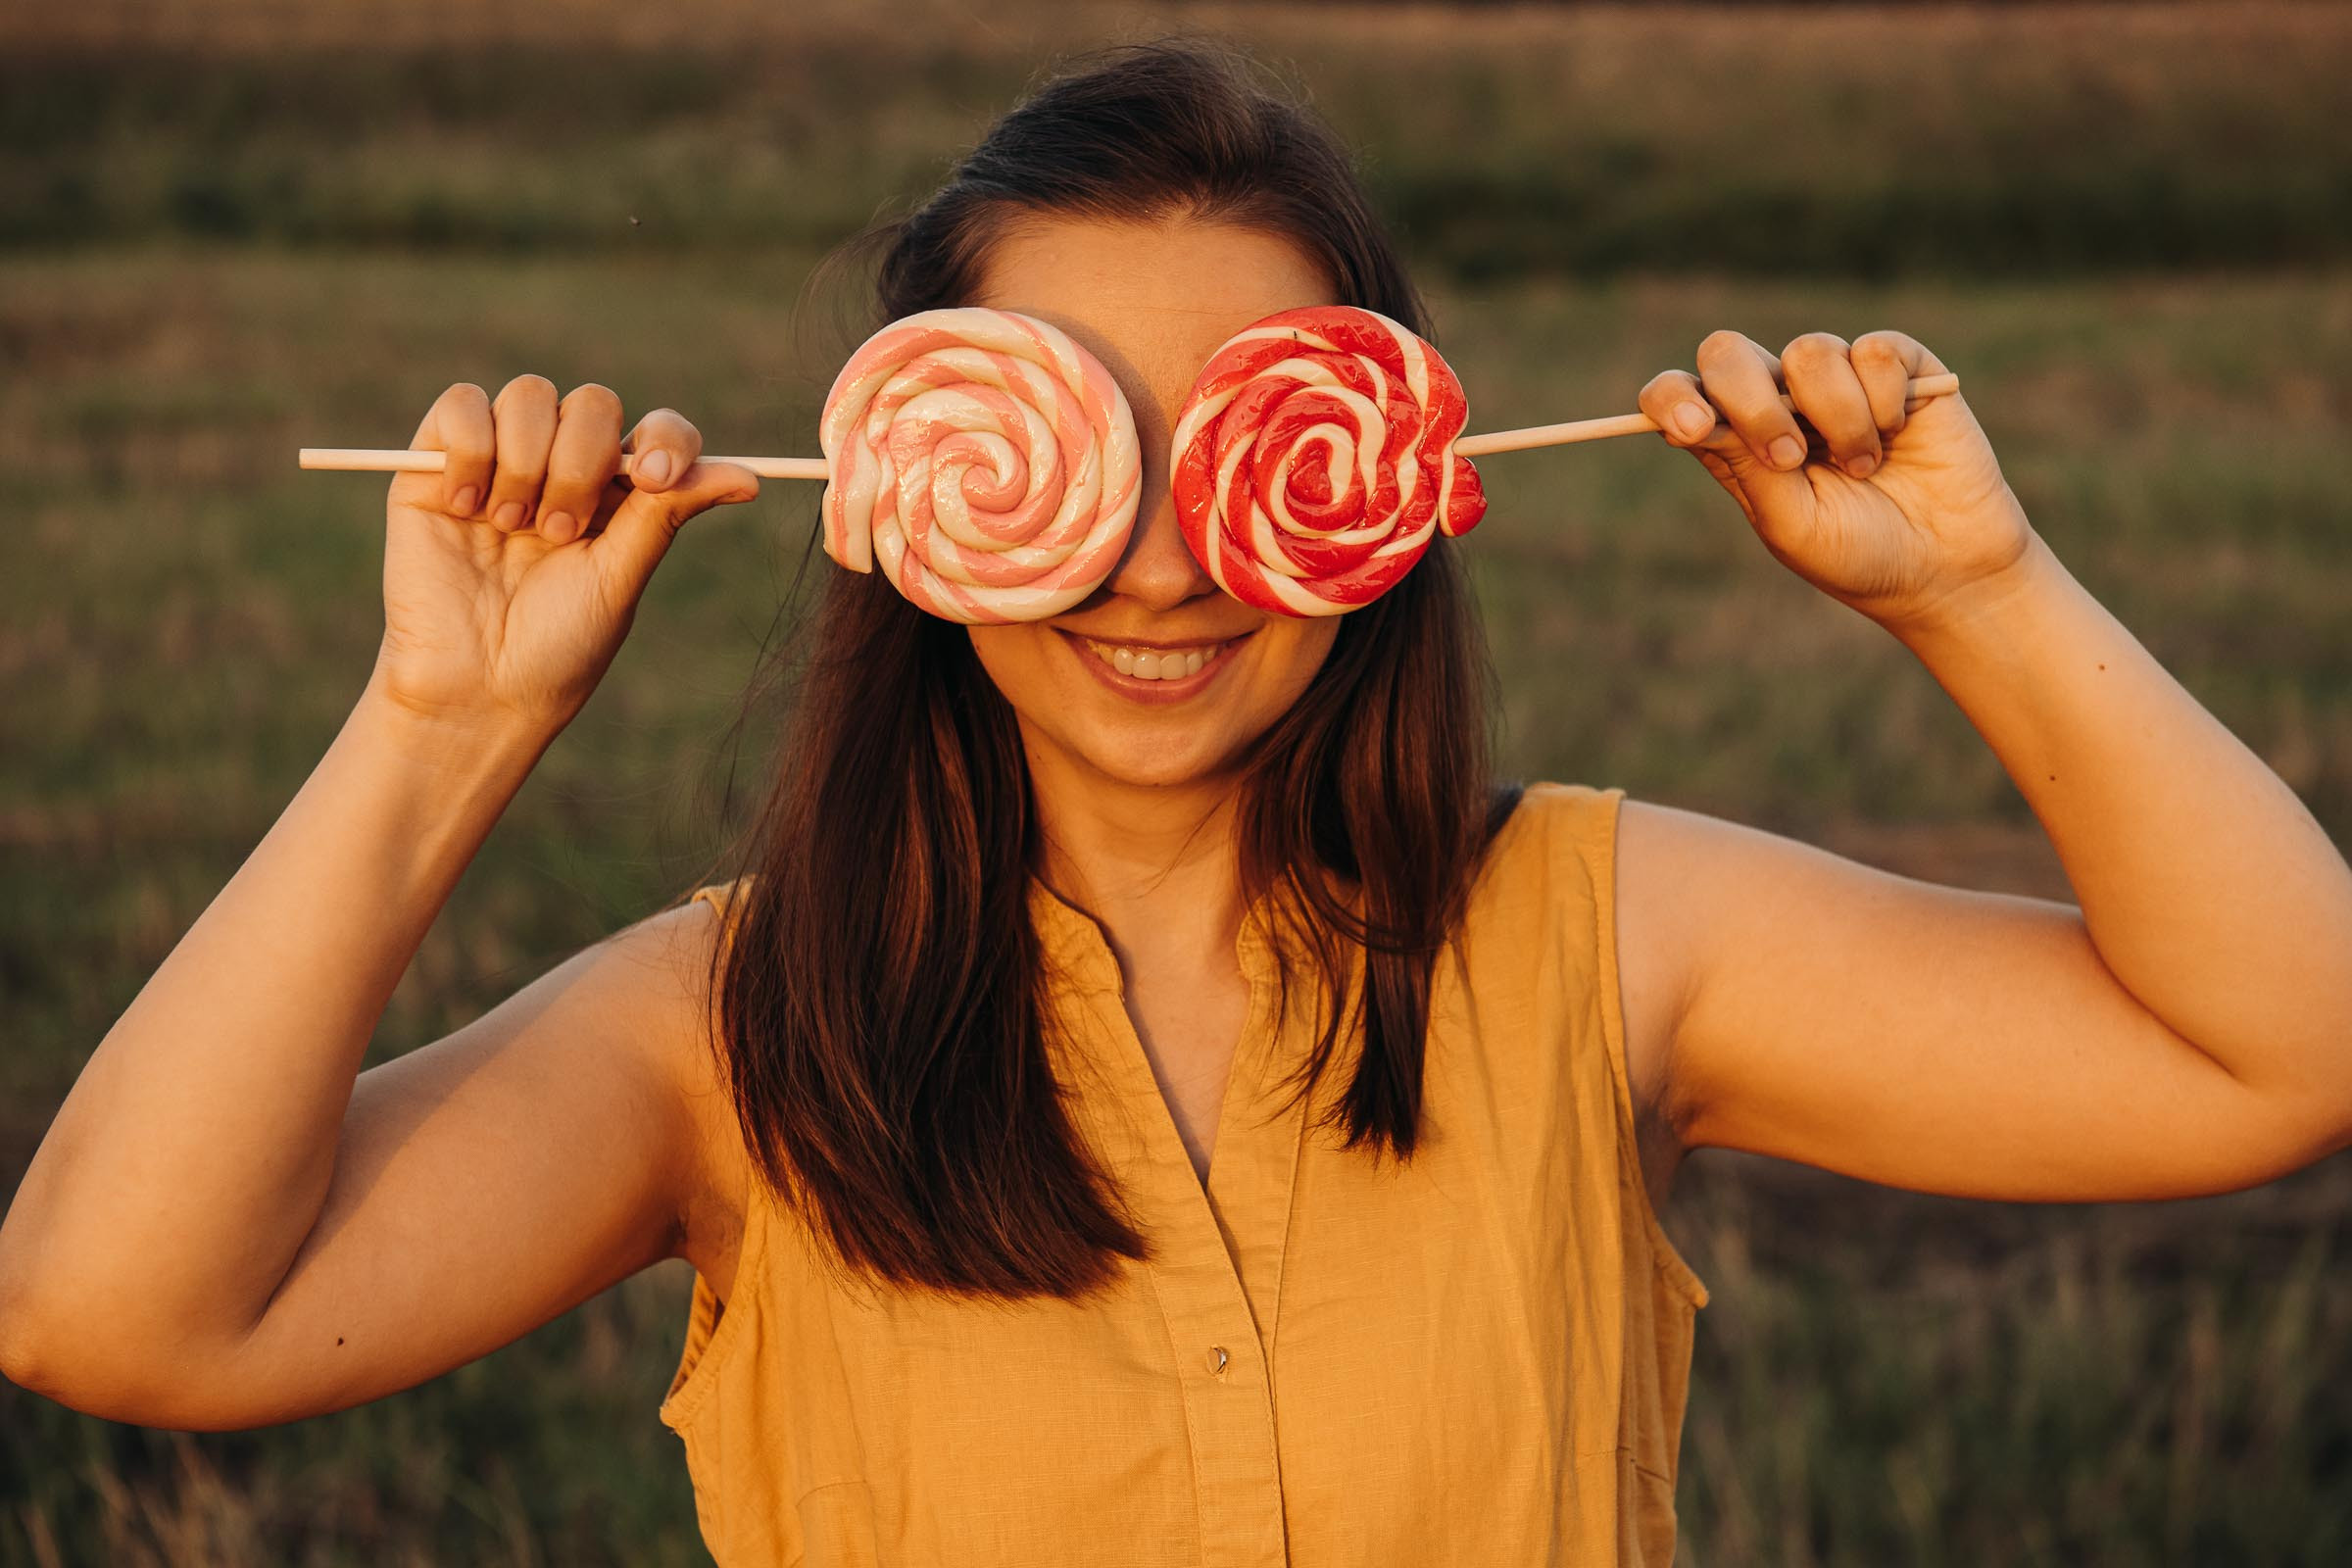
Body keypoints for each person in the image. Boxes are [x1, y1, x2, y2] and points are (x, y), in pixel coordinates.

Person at [5, 35, 2349, 1568]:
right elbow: (116, 1320)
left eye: (1251, 437)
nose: (1154, 549)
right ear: (902, 492)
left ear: (1402, 481)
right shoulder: (736, 1032)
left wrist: (1982, 585)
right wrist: (446, 716)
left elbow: (2283, 1050)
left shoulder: (1593, 933)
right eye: (1066, 440)